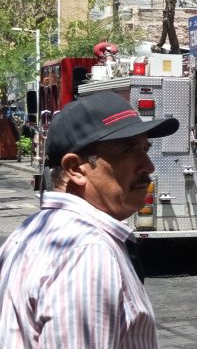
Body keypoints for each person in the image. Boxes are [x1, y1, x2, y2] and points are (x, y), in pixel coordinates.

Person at [0, 92, 179, 347]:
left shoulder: (29, 232)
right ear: (75, 169)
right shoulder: (87, 253)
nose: (148, 165)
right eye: (127, 150)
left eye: (145, 148)